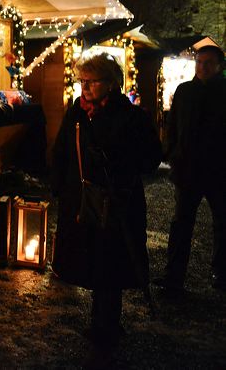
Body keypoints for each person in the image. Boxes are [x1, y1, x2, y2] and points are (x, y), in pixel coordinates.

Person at [50, 53, 161, 363]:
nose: (84, 88)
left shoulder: (131, 117)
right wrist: (59, 184)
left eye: (91, 81)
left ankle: (108, 324)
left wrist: (119, 163)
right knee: (91, 256)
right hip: (83, 197)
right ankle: (100, 321)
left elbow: (150, 157)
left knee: (111, 259)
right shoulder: (77, 112)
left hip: (116, 201)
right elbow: (62, 150)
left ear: (111, 84)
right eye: (81, 81)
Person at [156, 45, 226, 293]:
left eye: (208, 63)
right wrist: (172, 152)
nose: (202, 67)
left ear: (219, 66)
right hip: (188, 168)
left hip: (219, 170)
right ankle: (174, 276)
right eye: (199, 62)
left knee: (222, 222)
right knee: (181, 223)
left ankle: (221, 274)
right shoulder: (185, 91)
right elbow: (172, 123)